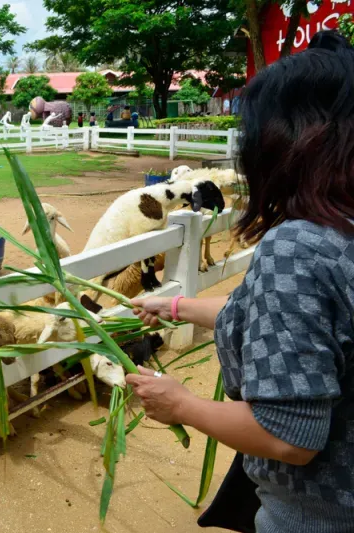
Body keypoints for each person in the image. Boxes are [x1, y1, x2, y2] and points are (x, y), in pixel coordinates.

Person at [126, 31, 354, 532]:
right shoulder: (341, 232)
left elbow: (289, 437)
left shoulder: (299, 246)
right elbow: (307, 327)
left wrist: (181, 404)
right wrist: (178, 307)